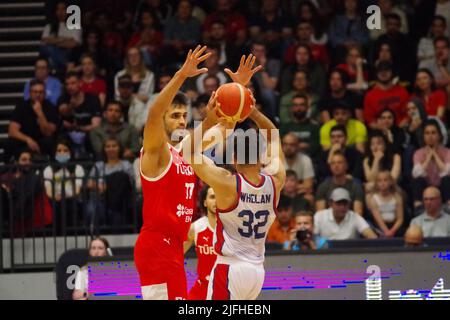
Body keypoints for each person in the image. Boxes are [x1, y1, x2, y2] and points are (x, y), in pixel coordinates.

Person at [182, 54, 285, 300]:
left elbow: (187, 152)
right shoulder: (276, 180)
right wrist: (250, 109)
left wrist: (210, 120)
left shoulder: (227, 183)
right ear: (262, 157)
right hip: (257, 272)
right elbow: (273, 134)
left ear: (235, 159)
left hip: (229, 268)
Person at [134, 46, 210, 300]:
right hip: (157, 245)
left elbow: (217, 127)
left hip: (174, 247)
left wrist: (238, 97)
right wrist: (181, 76)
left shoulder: (182, 152)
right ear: (164, 119)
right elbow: (154, 112)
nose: (181, 120)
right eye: (175, 115)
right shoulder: (156, 151)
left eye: (184, 116)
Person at [86, 138, 135, 228]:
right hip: (99, 199)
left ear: (119, 148)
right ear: (104, 149)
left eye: (114, 146)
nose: (111, 149)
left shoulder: (126, 165)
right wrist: (99, 186)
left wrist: (109, 186)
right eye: (108, 146)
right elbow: (89, 182)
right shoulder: (98, 165)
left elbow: (131, 183)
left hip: (120, 201)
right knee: (91, 210)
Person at [7, 79, 59, 160]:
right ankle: (7, 169)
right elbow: (12, 131)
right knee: (10, 142)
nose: (38, 94)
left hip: (42, 141)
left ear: (45, 93)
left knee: (51, 142)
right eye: (35, 92)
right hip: (25, 141)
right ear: (30, 93)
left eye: (41, 92)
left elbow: (48, 133)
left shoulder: (51, 108)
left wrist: (40, 114)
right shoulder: (21, 106)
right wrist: (28, 139)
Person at [43, 139, 85, 234]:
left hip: (72, 199)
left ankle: (70, 233)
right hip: (55, 200)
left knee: (68, 205)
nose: (62, 153)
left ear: (71, 152)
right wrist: (55, 197)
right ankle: (57, 234)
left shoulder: (77, 168)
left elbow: (77, 191)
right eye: (59, 150)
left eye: (65, 150)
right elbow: (48, 191)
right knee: (56, 205)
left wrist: (72, 178)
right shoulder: (49, 169)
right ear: (55, 153)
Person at [183, 186, 217, 300]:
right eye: (212, 197)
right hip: (203, 287)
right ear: (205, 202)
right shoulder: (195, 228)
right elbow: (176, 254)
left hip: (225, 286)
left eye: (219, 197)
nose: (216, 201)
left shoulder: (231, 227)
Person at [58, 72, 102, 158]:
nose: (70, 87)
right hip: (68, 134)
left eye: (73, 83)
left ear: (80, 83)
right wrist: (71, 106)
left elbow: (96, 125)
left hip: (87, 133)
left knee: (94, 135)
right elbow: (63, 111)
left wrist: (78, 128)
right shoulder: (63, 98)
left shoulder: (92, 99)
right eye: (67, 84)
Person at [411, 120, 450, 209]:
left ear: (439, 135)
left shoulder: (447, 152)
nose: (430, 136)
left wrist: (435, 155)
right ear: (423, 136)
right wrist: (428, 157)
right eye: (427, 133)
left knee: (447, 180)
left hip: (442, 187)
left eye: (433, 133)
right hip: (426, 188)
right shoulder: (418, 153)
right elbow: (416, 174)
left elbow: (447, 172)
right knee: (417, 180)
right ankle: (419, 208)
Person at [363, 61, 409, 129]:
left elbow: (408, 115)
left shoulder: (402, 91)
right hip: (380, 131)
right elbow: (370, 120)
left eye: (386, 70)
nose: (383, 73)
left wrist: (398, 130)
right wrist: (383, 130)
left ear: (392, 72)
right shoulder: (369, 95)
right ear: (376, 74)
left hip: (401, 129)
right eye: (380, 71)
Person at [40, 1, 82, 71]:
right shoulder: (49, 26)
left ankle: (61, 66)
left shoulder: (75, 26)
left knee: (51, 50)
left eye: (63, 9)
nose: (61, 12)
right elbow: (44, 41)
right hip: (53, 54)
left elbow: (73, 44)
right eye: (58, 9)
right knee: (47, 48)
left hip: (68, 55)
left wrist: (54, 41)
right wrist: (63, 39)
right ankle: (65, 65)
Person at [366, 171, 404, 238]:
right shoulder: (374, 199)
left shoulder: (397, 197)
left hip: (394, 227)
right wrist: (386, 232)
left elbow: (400, 219)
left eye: (385, 180)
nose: (382, 183)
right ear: (376, 183)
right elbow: (378, 220)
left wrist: (392, 231)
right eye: (379, 181)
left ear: (390, 182)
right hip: (380, 227)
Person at [281, 133, 314, 204]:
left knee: (309, 198)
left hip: (298, 194)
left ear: (298, 146)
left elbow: (308, 186)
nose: (288, 147)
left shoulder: (305, 160)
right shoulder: (276, 161)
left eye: (292, 145)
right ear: (281, 146)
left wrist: (287, 187)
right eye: (285, 144)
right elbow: (273, 184)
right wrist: (295, 186)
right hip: (280, 194)